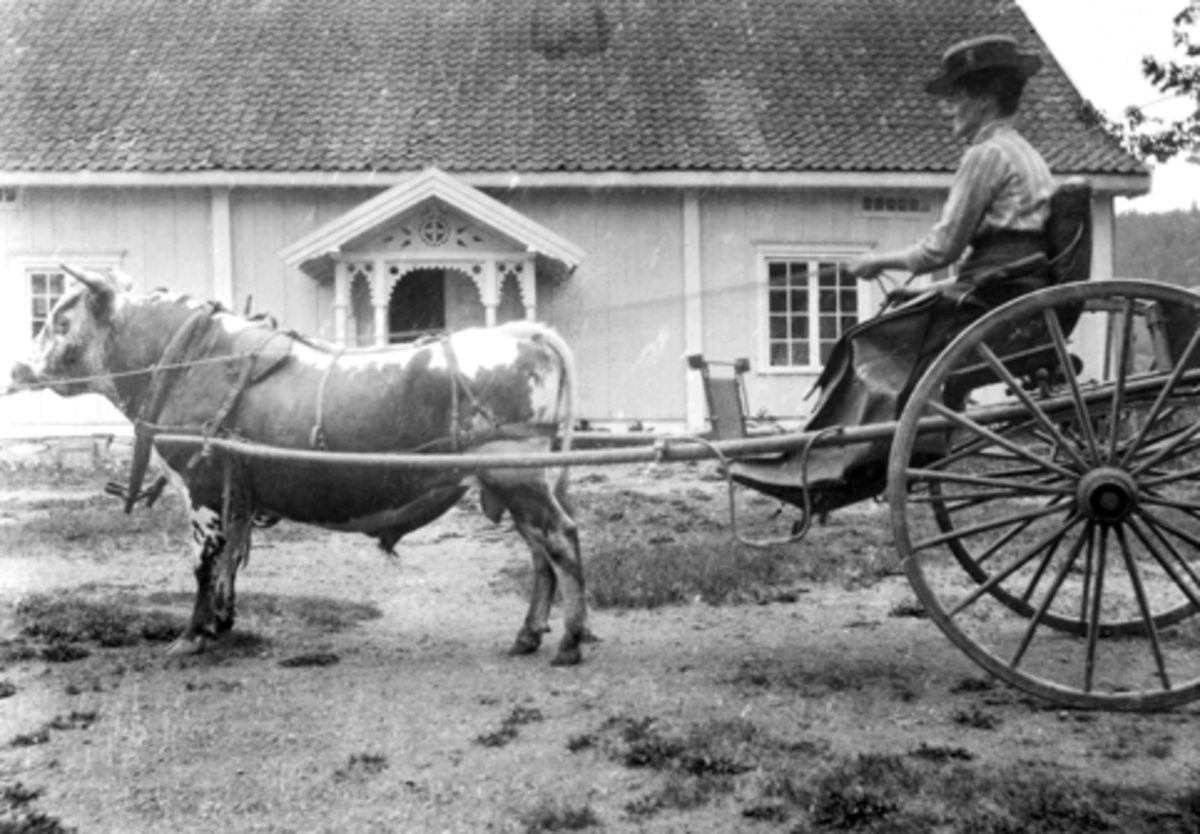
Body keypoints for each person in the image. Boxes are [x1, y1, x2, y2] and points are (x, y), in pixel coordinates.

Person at [732, 34, 1058, 515]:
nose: (949, 110)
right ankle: (863, 451)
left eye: (956, 98)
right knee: (894, 324)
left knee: (869, 342)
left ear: (985, 98)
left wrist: (877, 262)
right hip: (1006, 289)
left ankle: (840, 464)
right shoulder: (1026, 154)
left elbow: (943, 248)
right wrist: (932, 288)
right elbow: (1008, 257)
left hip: (995, 295)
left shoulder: (986, 156)